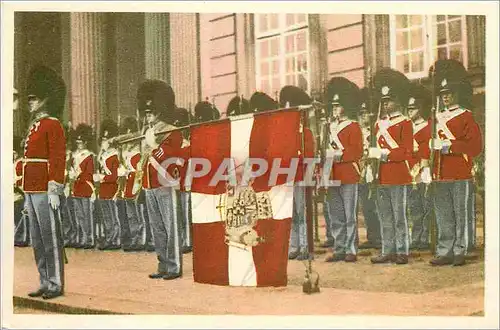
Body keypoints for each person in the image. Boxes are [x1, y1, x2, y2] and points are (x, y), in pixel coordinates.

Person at [429, 59, 482, 266]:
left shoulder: (466, 116)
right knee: (444, 214)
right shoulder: (435, 118)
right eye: (443, 95)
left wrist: (449, 147)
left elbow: (475, 146)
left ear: (456, 95)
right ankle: (445, 250)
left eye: (449, 94)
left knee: (461, 213)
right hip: (440, 173)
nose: (446, 97)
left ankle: (461, 249)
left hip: (460, 171)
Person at [23, 66, 66, 299]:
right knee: (37, 240)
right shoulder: (35, 125)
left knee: (50, 238)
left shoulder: (53, 124)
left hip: (45, 189)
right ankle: (44, 280)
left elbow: (57, 158)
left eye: (34, 99)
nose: (30, 103)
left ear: (44, 100)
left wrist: (54, 188)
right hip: (31, 189)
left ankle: (56, 283)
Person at [138, 80, 184, 280]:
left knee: (170, 226)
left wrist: (154, 145)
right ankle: (163, 264)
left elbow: (170, 157)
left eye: (151, 113)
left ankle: (174, 266)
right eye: (146, 113)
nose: (148, 117)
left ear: (159, 112)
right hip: (149, 185)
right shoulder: (147, 132)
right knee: (157, 228)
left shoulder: (172, 132)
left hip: (165, 184)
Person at [368, 68, 413, 265]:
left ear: (397, 102)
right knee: (385, 215)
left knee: (399, 215)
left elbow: (406, 152)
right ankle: (388, 249)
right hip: (382, 175)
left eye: (389, 100)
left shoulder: (405, 123)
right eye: (384, 101)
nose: (385, 104)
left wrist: (385, 154)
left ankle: (402, 250)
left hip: (399, 174)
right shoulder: (378, 125)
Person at [322, 77, 363, 263]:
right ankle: (339, 247)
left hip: (348, 173)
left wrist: (340, 155)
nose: (335, 109)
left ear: (345, 106)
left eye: (338, 106)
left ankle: (351, 248)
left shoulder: (353, 126)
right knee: (336, 214)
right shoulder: (328, 127)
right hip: (332, 173)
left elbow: (357, 151)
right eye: (333, 106)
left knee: (349, 214)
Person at [278, 85, 315, 260]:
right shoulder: (284, 134)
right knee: (291, 213)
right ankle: (294, 246)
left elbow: (309, 157)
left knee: (302, 213)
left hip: (300, 177)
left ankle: (304, 246)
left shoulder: (305, 133)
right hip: (288, 178)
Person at [406, 82, 433, 251]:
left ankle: (425, 237)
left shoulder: (427, 126)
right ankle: (415, 237)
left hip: (422, 169)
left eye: (413, 108)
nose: (410, 111)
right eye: (408, 108)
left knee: (425, 205)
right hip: (408, 170)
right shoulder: (405, 127)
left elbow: (426, 149)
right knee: (414, 207)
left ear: (420, 108)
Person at [117, 116, 147, 251]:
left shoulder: (139, 148)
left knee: (138, 213)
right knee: (130, 215)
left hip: (136, 180)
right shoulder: (125, 149)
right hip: (127, 181)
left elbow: (140, 167)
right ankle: (134, 238)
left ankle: (142, 239)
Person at [357, 87, 382, 250]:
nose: (363, 116)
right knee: (366, 206)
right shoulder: (358, 132)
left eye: (365, 113)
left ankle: (380, 237)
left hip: (374, 170)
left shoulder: (377, 131)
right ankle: (371, 236)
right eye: (361, 113)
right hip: (362, 171)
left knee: (376, 206)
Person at [94, 120, 121, 250]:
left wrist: (103, 177)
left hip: (111, 188)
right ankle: (109, 236)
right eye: (103, 138)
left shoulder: (115, 155)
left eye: (106, 139)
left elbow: (115, 175)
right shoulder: (102, 155)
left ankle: (115, 239)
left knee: (113, 216)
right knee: (106, 216)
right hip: (103, 189)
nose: (104, 141)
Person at [68, 124, 95, 249]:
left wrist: (78, 175)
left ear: (85, 142)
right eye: (77, 142)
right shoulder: (74, 156)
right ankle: (82, 237)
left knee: (87, 215)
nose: (79, 144)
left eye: (81, 142)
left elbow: (89, 174)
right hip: (77, 188)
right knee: (79, 215)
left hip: (85, 188)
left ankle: (89, 239)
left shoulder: (89, 156)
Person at [173, 107, 193, 254]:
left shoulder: (186, 146)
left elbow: (182, 164)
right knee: (181, 214)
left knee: (186, 215)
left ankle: (187, 241)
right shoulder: (180, 146)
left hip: (186, 183)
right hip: (179, 184)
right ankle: (183, 239)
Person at [14, 135, 30, 247]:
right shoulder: (17, 162)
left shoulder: (22, 162)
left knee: (22, 215)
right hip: (16, 191)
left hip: (21, 191)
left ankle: (23, 237)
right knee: (17, 215)